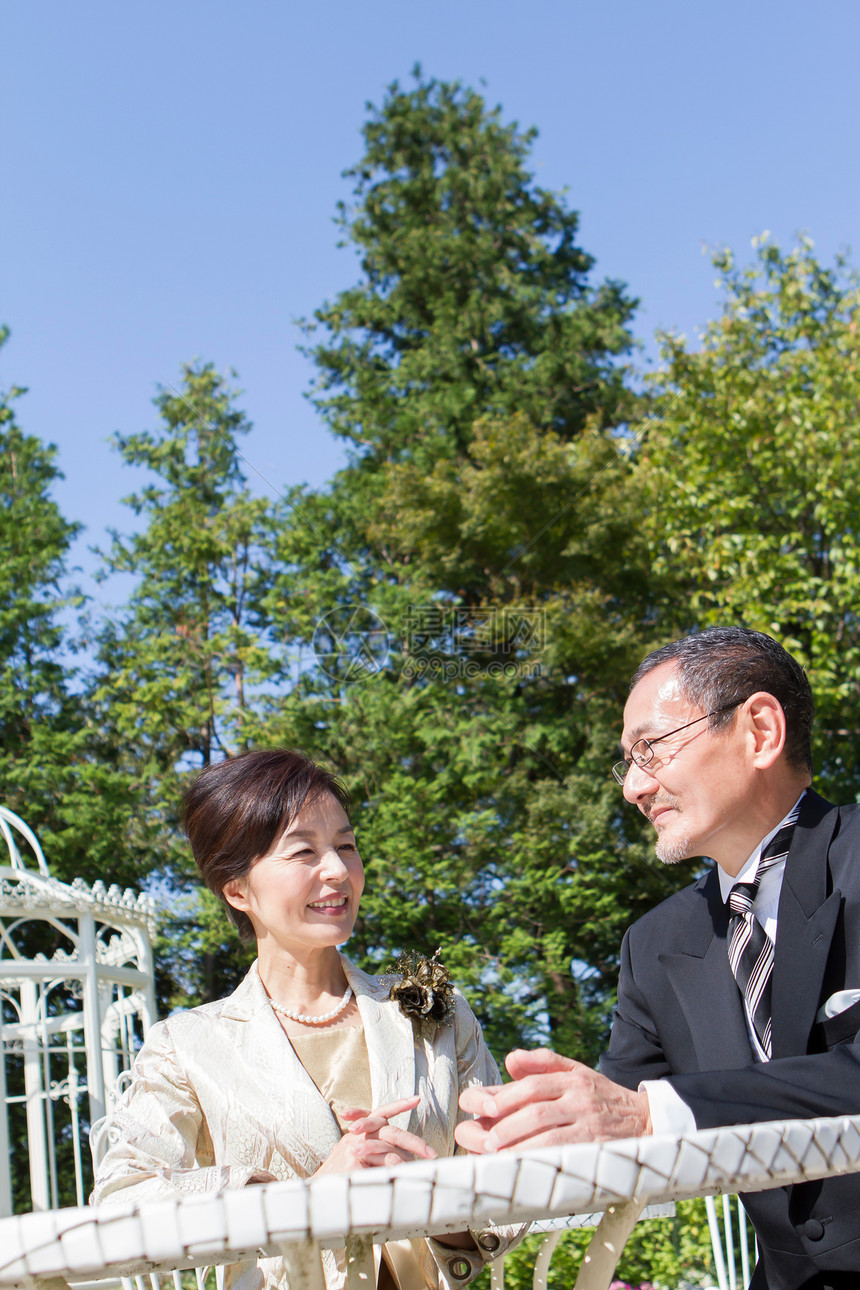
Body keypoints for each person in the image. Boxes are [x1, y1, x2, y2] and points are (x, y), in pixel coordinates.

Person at [456, 626, 860, 1290]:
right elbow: (603, 1128)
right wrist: (485, 1145)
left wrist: (651, 1115)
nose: (633, 789)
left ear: (759, 730)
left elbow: (643, 1111)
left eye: (652, 749)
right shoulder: (654, 945)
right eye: (628, 761)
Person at [93, 748, 519, 1290]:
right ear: (237, 890)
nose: (339, 871)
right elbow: (119, 1202)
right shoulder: (187, 1045)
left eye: (347, 846)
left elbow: (509, 1181)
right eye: (303, 852)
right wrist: (303, 1200)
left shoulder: (436, 1014)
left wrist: (434, 1199)